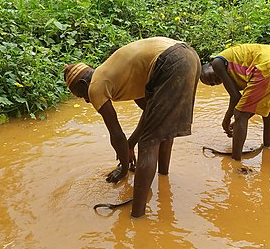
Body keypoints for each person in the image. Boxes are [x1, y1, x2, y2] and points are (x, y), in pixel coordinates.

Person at [63, 37, 200, 218]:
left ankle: (137, 217)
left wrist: (124, 167)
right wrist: (130, 144)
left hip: (171, 61)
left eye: (80, 95)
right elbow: (150, 114)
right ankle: (163, 178)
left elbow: (116, 134)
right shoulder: (124, 75)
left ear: (82, 84)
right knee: (164, 130)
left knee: (148, 144)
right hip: (190, 57)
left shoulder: (95, 86)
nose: (86, 100)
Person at [200, 44, 270, 161]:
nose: (214, 81)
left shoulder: (217, 63)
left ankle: (235, 161)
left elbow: (236, 98)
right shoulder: (232, 67)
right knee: (267, 111)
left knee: (240, 114)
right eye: (212, 84)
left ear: (210, 65)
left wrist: (226, 121)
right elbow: (236, 97)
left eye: (210, 77)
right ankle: (268, 150)